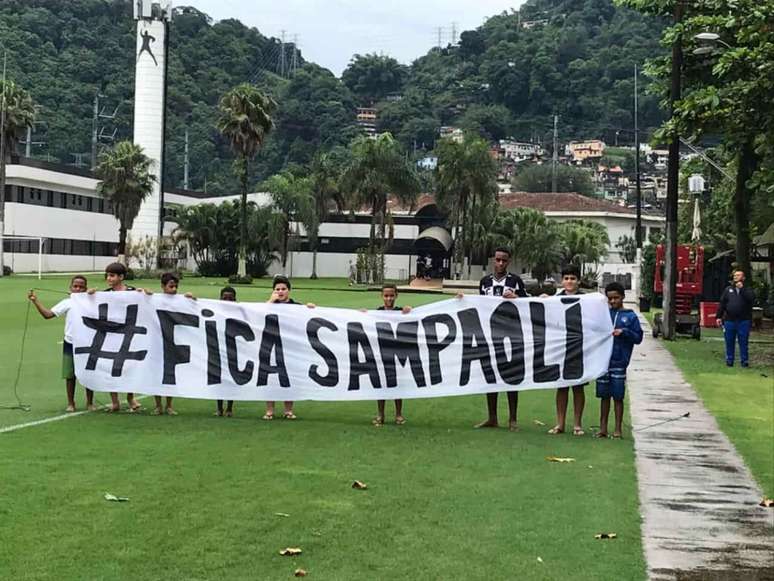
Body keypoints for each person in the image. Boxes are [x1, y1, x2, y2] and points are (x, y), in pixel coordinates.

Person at [472, 247, 528, 431]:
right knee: (491, 375)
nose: (500, 263)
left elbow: (527, 304)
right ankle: (492, 417)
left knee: (511, 374)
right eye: (497, 260)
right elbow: (480, 305)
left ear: (508, 262)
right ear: (493, 260)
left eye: (504, 260)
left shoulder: (515, 281)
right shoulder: (485, 282)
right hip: (490, 334)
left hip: (511, 333)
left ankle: (513, 419)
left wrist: (517, 297)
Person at [28, 275, 95, 412]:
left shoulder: (92, 301)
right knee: (69, 375)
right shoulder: (67, 302)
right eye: (75, 286)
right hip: (70, 342)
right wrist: (36, 301)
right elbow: (48, 315)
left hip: (88, 343)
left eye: (81, 286)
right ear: (70, 288)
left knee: (89, 373)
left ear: (86, 288)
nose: (78, 289)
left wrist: (92, 294)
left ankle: (90, 402)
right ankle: (71, 403)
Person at [87, 262, 141, 413]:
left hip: (130, 333)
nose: (109, 279)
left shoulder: (133, 291)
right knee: (111, 366)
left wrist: (145, 293)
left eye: (112, 275)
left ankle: (131, 397)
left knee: (129, 366)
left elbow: (147, 303)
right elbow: (91, 307)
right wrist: (89, 296)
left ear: (121, 277)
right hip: (111, 335)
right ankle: (115, 401)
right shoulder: (105, 294)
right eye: (107, 275)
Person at [263, 276, 315, 421]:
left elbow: (309, 316)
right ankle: (269, 410)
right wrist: (270, 302)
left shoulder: (296, 306)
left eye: (283, 289)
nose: (280, 292)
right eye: (277, 289)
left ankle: (288, 410)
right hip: (271, 346)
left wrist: (310, 308)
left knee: (289, 378)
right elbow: (258, 314)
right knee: (271, 379)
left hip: (291, 348)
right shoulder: (269, 305)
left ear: (289, 291)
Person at [596, 281, 643, 439]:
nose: (613, 301)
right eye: (610, 298)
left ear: (622, 297)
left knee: (618, 396)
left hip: (619, 362)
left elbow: (638, 338)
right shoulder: (602, 314)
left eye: (616, 298)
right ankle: (602, 428)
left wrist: (624, 332)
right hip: (603, 362)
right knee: (603, 396)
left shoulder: (630, 316)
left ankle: (617, 429)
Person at [143, 272, 195, 415]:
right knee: (156, 374)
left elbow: (194, 309)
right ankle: (158, 405)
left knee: (171, 374)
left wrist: (191, 299)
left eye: (176, 286)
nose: (174, 289)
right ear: (163, 286)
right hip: (156, 342)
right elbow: (140, 299)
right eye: (171, 286)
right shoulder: (154, 299)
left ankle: (169, 405)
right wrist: (144, 293)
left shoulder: (180, 300)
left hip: (173, 342)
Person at [546, 265, 587, 436]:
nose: (569, 281)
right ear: (561, 281)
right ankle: (560, 423)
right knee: (561, 385)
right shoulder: (555, 299)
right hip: (560, 346)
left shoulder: (587, 299)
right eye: (566, 278)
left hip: (580, 346)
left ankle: (577, 424)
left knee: (578, 385)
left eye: (573, 278)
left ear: (578, 281)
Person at [372, 283, 412, 426]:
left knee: (397, 384)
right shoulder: (377, 312)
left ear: (396, 296)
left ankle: (399, 414)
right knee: (381, 385)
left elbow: (415, 318)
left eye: (391, 295)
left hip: (398, 354)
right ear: (381, 296)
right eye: (386, 296)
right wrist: (362, 314)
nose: (389, 299)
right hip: (382, 354)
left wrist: (410, 311)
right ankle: (380, 414)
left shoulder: (401, 312)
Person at [715, 270, 755, 368]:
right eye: (735, 275)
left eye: (738, 275)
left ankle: (744, 361)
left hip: (744, 320)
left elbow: (751, 299)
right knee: (729, 341)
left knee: (743, 341)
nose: (736, 277)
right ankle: (729, 360)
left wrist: (742, 290)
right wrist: (718, 316)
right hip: (729, 320)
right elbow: (722, 303)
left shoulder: (748, 289)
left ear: (743, 278)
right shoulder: (728, 290)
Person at [216, 286, 237, 417]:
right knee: (219, 379)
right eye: (225, 298)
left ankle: (229, 408)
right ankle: (219, 408)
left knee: (231, 379)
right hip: (218, 348)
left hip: (234, 350)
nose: (228, 301)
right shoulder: (214, 310)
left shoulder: (240, 311)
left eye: (231, 298)